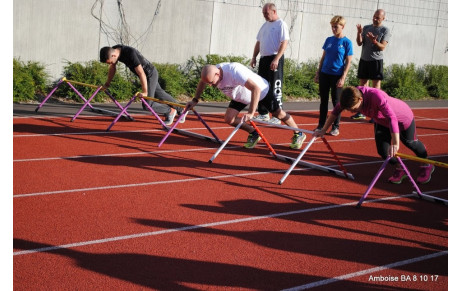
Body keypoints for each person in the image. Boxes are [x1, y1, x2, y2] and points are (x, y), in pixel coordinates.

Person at [313, 86, 434, 184]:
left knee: (410, 143)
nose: (352, 112)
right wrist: (323, 129)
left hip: (402, 118)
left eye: (354, 109)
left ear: (360, 100)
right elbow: (334, 113)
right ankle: (400, 167)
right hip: (381, 121)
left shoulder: (376, 96)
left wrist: (396, 144)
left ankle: (426, 164)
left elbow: (392, 118)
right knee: (383, 151)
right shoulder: (349, 97)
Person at [187, 63, 306, 149]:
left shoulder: (234, 71)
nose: (210, 85)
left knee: (278, 113)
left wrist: (251, 112)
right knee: (229, 119)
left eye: (212, 83)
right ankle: (254, 133)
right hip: (240, 95)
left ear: (218, 73)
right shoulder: (210, 74)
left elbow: (256, 89)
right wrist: (195, 99)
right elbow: (202, 83)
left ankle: (299, 133)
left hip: (261, 91)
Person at [99, 45, 186, 126]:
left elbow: (142, 74)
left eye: (109, 62)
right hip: (147, 75)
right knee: (160, 94)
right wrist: (107, 84)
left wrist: (145, 92)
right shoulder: (115, 50)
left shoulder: (130, 53)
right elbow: (113, 68)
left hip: (150, 74)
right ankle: (181, 109)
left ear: (113, 55)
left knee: (147, 105)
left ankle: (170, 111)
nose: (110, 64)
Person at [250, 2, 289, 125]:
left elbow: (284, 43)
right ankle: (263, 113)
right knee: (262, 85)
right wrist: (254, 57)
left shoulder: (281, 24)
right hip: (264, 58)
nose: (265, 16)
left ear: (274, 12)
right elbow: (258, 42)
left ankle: (278, 115)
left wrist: (276, 59)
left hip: (274, 57)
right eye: (263, 13)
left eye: (266, 13)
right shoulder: (264, 25)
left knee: (275, 86)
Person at [314, 15, 353, 136]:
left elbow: (348, 62)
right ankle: (321, 125)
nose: (333, 29)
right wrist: (318, 73)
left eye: (336, 27)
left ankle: (335, 127)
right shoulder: (329, 40)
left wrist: (343, 77)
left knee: (337, 102)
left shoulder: (347, 42)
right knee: (323, 101)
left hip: (337, 75)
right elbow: (323, 57)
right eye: (332, 27)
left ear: (343, 26)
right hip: (325, 73)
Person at [351, 9, 391, 121]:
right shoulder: (367, 28)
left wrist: (374, 42)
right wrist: (359, 32)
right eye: (374, 16)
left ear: (383, 18)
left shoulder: (385, 30)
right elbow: (359, 43)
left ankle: (376, 112)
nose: (375, 19)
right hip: (364, 60)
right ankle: (361, 112)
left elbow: (382, 47)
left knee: (376, 88)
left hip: (376, 61)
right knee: (363, 86)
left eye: (378, 17)